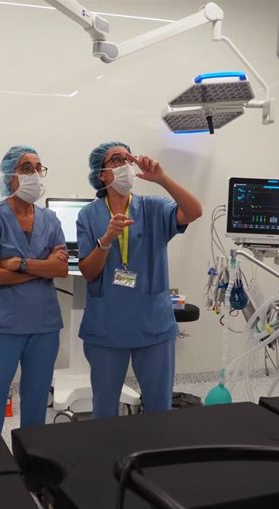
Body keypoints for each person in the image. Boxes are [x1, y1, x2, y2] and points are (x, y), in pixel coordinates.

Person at [76, 141, 202, 418]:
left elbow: (194, 211)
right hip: (107, 326)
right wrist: (106, 240)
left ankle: (154, 458)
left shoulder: (153, 207)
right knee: (105, 409)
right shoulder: (89, 215)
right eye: (116, 160)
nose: (124, 165)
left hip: (152, 325)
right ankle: (106, 460)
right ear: (101, 174)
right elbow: (88, 271)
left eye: (127, 159)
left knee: (159, 408)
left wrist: (163, 180)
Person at [0, 145, 68, 432]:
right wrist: (42, 268)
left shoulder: (49, 219)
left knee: (37, 402)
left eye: (39, 168)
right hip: (1, 326)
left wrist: (21, 265)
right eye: (26, 168)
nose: (35, 174)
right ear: (9, 175)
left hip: (44, 326)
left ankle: (32, 464)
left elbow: (61, 269)